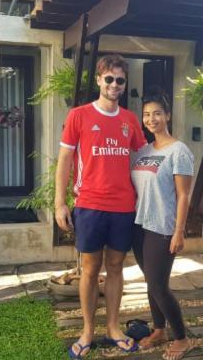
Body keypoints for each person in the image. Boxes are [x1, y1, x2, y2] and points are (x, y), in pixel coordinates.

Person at [55, 54, 147, 359]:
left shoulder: (130, 120)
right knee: (91, 271)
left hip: (123, 206)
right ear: (98, 80)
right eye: (109, 79)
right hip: (89, 205)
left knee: (117, 268)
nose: (115, 85)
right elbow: (65, 161)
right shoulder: (79, 116)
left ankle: (113, 327)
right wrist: (59, 203)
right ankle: (87, 331)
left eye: (120, 80)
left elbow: (144, 158)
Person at [131, 89, 194, 360]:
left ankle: (182, 338)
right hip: (139, 225)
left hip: (162, 227)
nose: (151, 118)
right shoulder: (143, 151)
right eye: (146, 114)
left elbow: (183, 195)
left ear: (167, 115)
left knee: (159, 285)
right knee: (150, 281)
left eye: (157, 113)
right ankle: (159, 330)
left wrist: (179, 232)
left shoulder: (179, 151)